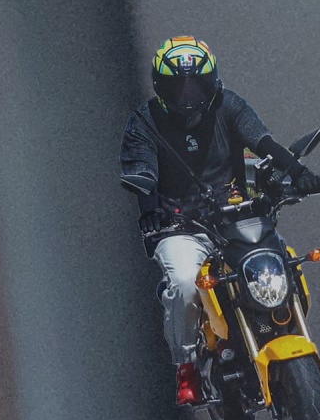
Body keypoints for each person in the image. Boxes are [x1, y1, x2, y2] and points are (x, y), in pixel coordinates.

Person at [123, 35, 293, 397]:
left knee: (284, 259)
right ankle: (187, 367)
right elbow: (141, 169)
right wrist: (150, 208)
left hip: (234, 216)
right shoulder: (145, 122)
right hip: (178, 226)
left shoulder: (230, 105)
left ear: (212, 82)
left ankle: (283, 326)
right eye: (178, 86)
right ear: (161, 87)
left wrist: (295, 169)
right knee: (185, 283)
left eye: (196, 84)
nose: (188, 95)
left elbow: (261, 140)